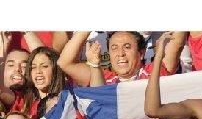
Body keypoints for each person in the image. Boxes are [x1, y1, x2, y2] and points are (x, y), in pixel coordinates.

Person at [58, 31, 187, 86]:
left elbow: (177, 44)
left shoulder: (156, 71)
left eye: (127, 46)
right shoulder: (103, 78)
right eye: (114, 48)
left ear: (141, 53)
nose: (120, 53)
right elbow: (65, 63)